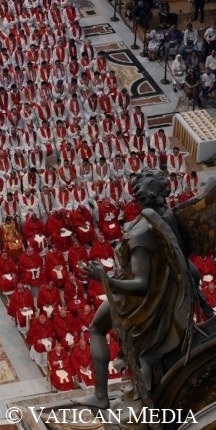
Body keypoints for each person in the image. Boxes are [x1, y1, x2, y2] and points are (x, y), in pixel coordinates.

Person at [77, 169, 195, 409]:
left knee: (97, 328)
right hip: (165, 293)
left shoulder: (141, 233)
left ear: (138, 197)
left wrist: (104, 278)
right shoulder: (168, 216)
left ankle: (100, 396)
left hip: (140, 300)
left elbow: (140, 285)